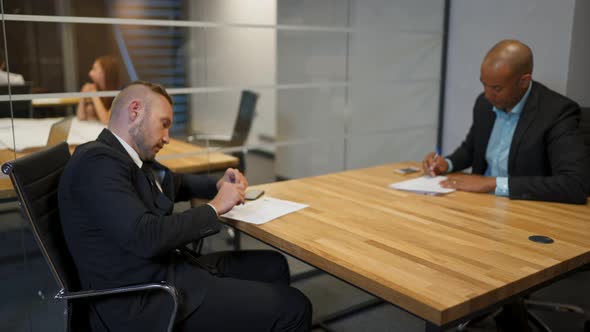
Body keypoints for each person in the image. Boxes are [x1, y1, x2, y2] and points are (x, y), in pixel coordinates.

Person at [59, 80, 312, 331]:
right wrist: (214, 207)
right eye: (164, 124)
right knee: (295, 307)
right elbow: (146, 236)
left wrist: (218, 184)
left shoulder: (128, 158)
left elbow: (176, 183)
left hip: (168, 271)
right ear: (135, 111)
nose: (167, 137)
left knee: (273, 265)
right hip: (147, 300)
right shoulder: (97, 163)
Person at [423, 39, 589, 205]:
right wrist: (447, 164)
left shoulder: (558, 112)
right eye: (484, 84)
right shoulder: (484, 104)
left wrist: (492, 183)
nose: (487, 95)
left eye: (497, 88)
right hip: (478, 203)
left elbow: (574, 184)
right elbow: (471, 150)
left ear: (524, 81)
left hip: (525, 208)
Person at [76, 55, 121, 125]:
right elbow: (81, 117)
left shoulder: (119, 94)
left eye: (94, 69)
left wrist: (94, 94)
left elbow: (106, 120)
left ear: (104, 72)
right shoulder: (95, 89)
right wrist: (83, 95)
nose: (90, 73)